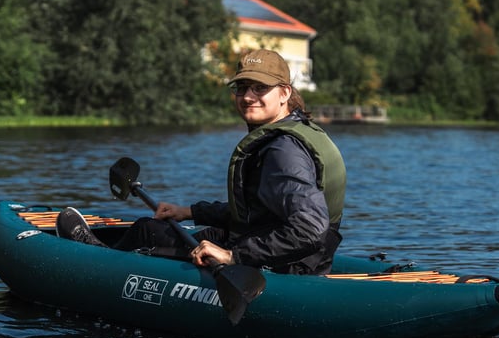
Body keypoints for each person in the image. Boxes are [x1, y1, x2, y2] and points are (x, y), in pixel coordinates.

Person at [57, 48, 346, 275]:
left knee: (147, 234)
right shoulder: (292, 132)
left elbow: (310, 228)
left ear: (284, 93)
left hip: (285, 266)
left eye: (260, 88)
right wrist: (189, 211)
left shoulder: (283, 150)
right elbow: (261, 211)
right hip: (289, 252)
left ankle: (94, 260)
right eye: (241, 87)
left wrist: (233, 256)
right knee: (153, 227)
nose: (247, 97)